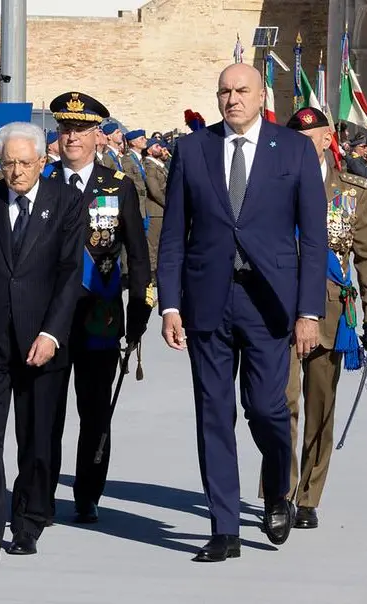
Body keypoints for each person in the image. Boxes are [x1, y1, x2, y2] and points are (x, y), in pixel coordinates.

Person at [157, 63, 328, 562]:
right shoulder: (193, 149)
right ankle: (224, 528)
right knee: (213, 412)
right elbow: (174, 236)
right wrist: (170, 304)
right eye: (224, 92)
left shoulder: (292, 149)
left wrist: (309, 312)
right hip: (207, 301)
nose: (232, 99)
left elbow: (314, 240)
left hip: (269, 302)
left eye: (241, 91)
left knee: (268, 408)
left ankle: (277, 489)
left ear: (260, 96)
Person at [0, 121, 86, 561]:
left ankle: (28, 522)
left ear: (42, 162)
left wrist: (52, 333)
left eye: (25, 163)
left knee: (35, 437)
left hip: (40, 340)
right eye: (8, 163)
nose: (16, 172)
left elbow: (69, 274)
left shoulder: (65, 201)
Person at [45, 92, 151, 523]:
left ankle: (88, 491)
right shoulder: (42, 180)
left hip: (99, 316)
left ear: (97, 136)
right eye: (65, 129)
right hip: (48, 317)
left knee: (94, 411)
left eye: (80, 130)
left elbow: (138, 254)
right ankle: (40, 491)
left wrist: (140, 309)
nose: (71, 137)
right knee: (46, 410)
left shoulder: (117, 186)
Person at [272, 107, 367, 530]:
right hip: (280, 312)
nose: (302, 147)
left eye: (311, 140)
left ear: (328, 139)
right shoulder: (274, 186)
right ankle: (280, 493)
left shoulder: (353, 191)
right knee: (281, 404)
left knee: (320, 406)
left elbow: (364, 256)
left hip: (330, 312)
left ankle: (309, 496)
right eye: (296, 139)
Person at [143, 137, 168, 280]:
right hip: (155, 210)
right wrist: (167, 204)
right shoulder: (149, 165)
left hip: (161, 210)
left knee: (159, 243)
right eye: (156, 146)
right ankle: (151, 273)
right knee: (152, 243)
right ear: (149, 150)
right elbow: (155, 191)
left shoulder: (159, 165)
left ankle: (157, 269)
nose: (161, 148)